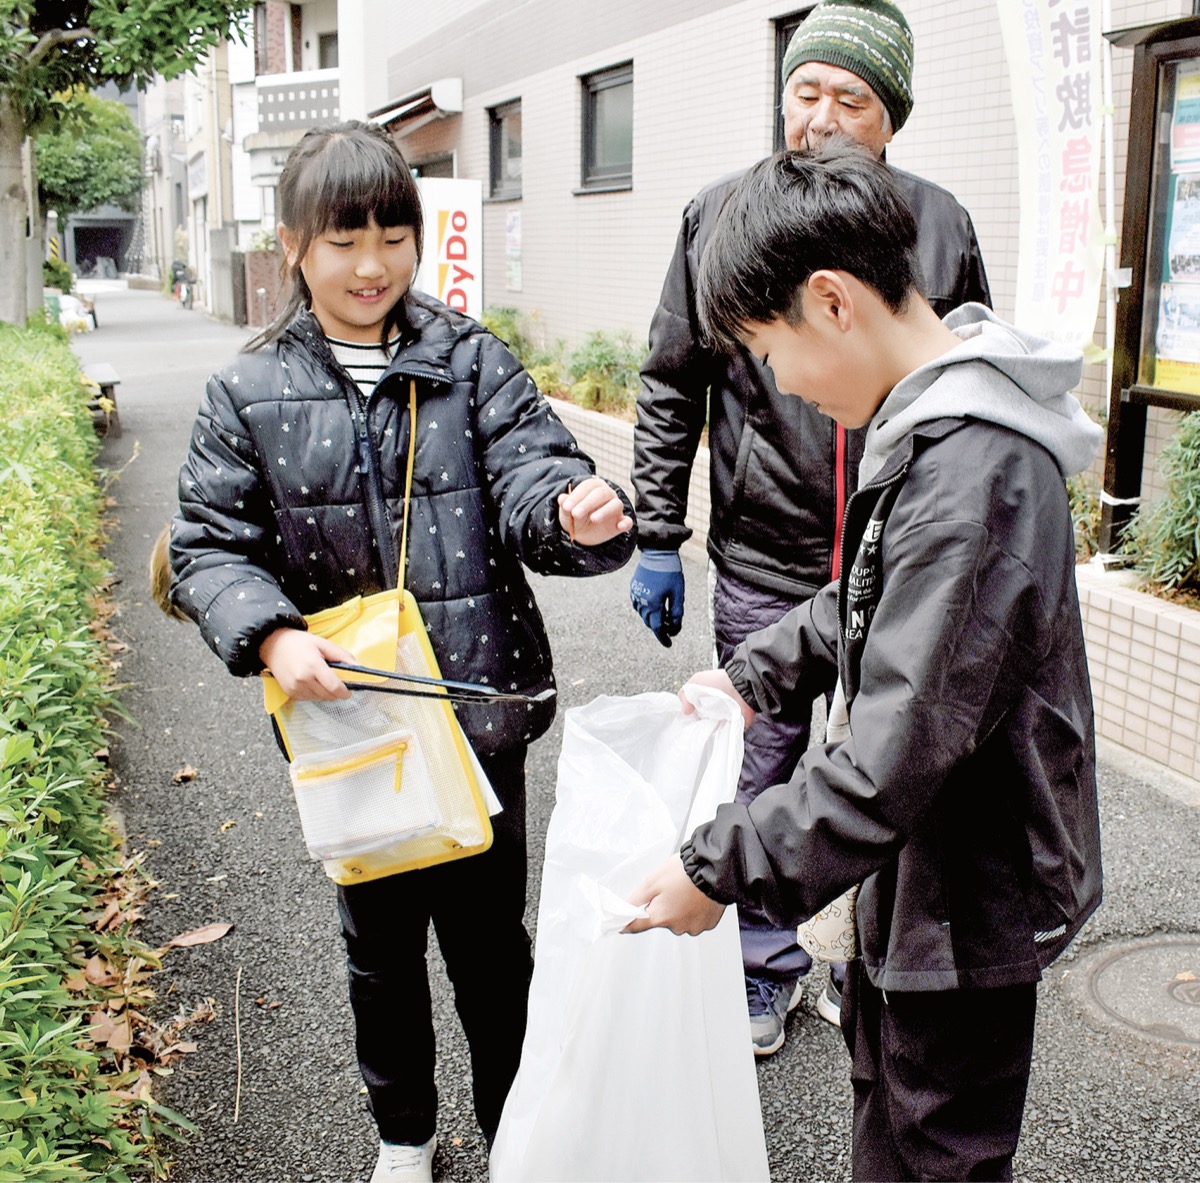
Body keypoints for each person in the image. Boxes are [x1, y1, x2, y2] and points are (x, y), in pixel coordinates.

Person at [167, 121, 636, 1183]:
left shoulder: (470, 359)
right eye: (343, 241)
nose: (371, 264)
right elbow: (208, 544)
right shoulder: (247, 391)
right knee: (380, 953)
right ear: (294, 244)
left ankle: (520, 1136)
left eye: (392, 236)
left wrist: (575, 512)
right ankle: (404, 1136)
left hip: (476, 718)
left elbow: (533, 474)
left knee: (491, 947)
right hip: (348, 720)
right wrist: (273, 632)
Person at [625, 141, 1103, 1181]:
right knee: (891, 1119)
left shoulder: (974, 474)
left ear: (832, 302)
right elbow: (867, 598)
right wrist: (753, 676)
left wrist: (718, 866)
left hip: (968, 903)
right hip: (927, 877)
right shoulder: (936, 424)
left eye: (767, 351)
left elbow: (893, 751)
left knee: (936, 1148)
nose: (779, 383)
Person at [628, 0, 992, 1052]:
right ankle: (762, 963)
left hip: (897, 547)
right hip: (767, 553)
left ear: (892, 119)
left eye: (852, 98)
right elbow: (669, 379)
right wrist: (656, 532)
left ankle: (867, 958)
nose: (822, 116)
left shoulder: (939, 223)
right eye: (805, 91)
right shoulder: (720, 215)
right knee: (765, 762)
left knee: (891, 759)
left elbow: (962, 372)